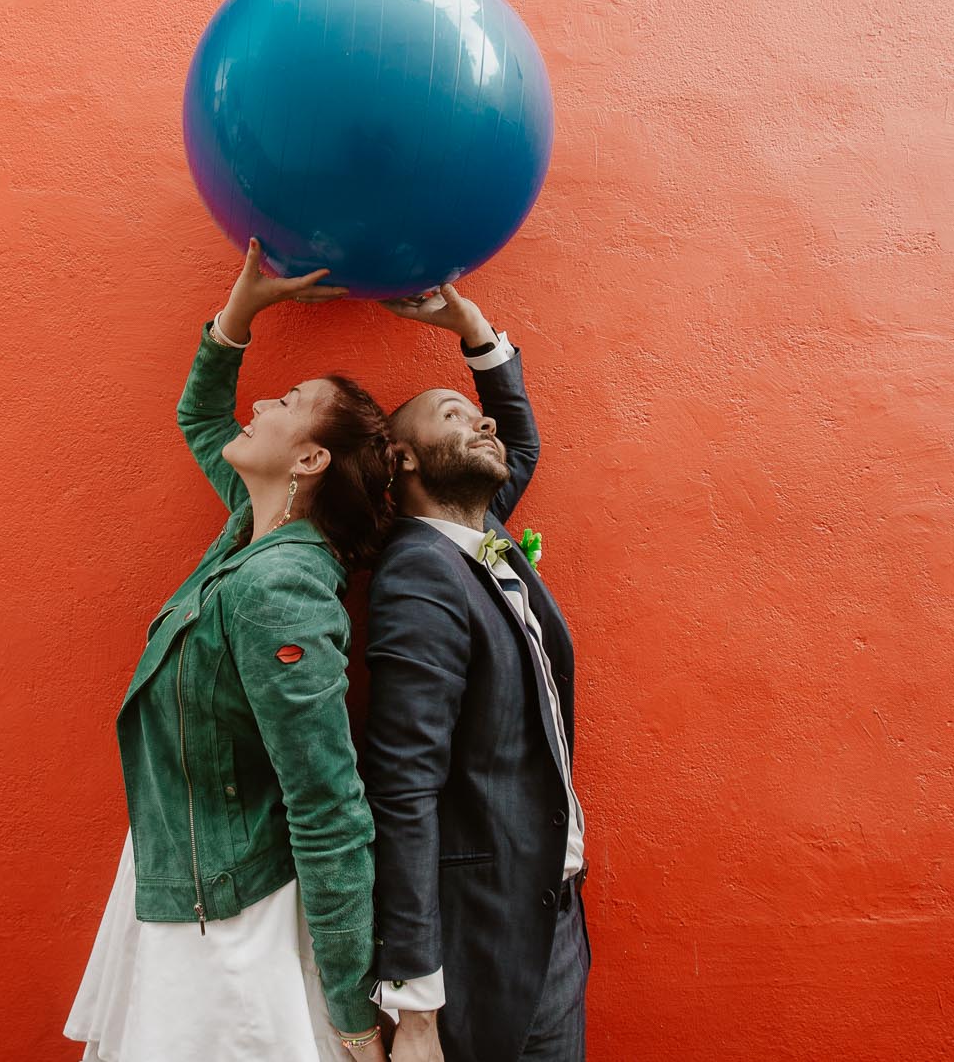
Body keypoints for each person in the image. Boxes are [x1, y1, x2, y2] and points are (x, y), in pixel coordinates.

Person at [65, 241, 395, 1061]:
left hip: (231, 918)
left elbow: (328, 804)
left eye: (285, 400)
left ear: (310, 459)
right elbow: (202, 417)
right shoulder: (252, 528)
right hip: (187, 871)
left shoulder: (279, 585)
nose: (261, 407)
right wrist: (240, 313)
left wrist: (355, 1012)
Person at [363, 285, 590, 1062]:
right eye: (452, 416)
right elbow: (404, 785)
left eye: (477, 411)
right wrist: (417, 1001)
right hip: (479, 946)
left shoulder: (477, 531)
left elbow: (516, 439)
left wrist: (470, 327)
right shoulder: (420, 575)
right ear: (404, 458)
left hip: (551, 919)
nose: (482, 419)